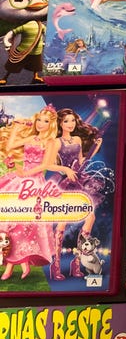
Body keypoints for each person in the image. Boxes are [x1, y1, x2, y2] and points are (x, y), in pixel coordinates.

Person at [0, 106, 61, 280]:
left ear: (51, 124)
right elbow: (11, 145)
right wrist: (17, 127)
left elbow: (46, 165)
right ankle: (17, 264)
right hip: (20, 180)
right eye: (39, 120)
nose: (41, 123)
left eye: (45, 121)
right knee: (12, 221)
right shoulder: (32, 137)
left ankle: (16, 265)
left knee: (26, 224)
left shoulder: (51, 142)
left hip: (34, 183)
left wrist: (25, 174)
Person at [50, 108, 103, 280]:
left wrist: (96, 147)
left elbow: (81, 161)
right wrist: (65, 169)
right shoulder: (56, 142)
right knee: (63, 222)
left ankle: (77, 262)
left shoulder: (78, 139)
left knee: (90, 217)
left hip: (79, 179)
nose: (70, 124)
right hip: (65, 181)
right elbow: (49, 164)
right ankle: (56, 265)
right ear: (60, 123)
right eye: (66, 121)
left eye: (73, 120)